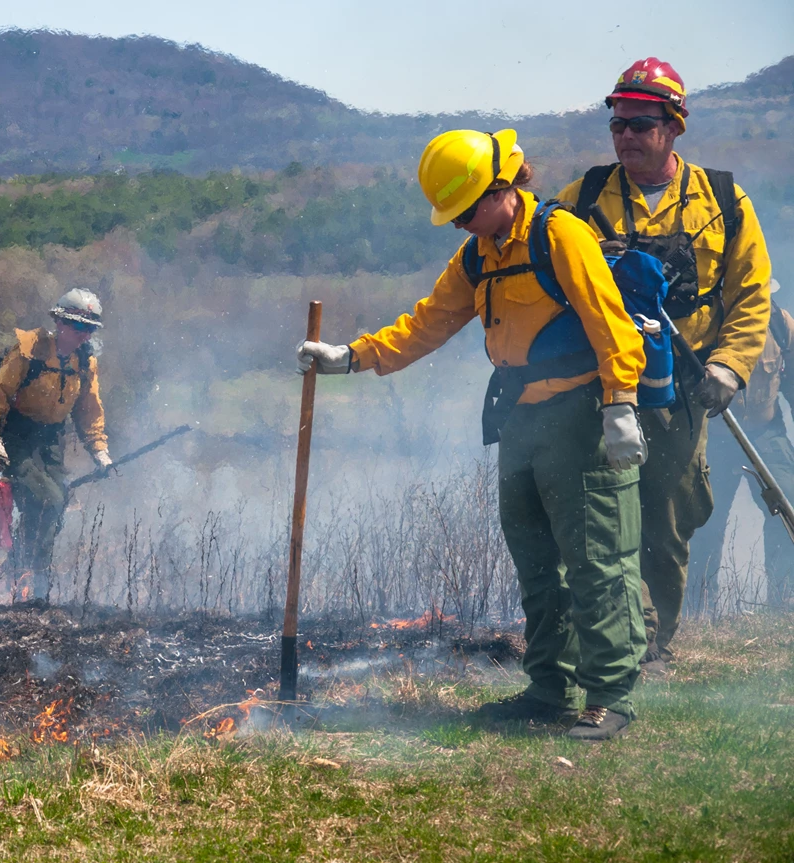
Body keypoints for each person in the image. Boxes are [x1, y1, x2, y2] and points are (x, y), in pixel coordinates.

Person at [298, 129, 648, 740]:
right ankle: (549, 689)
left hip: (581, 415)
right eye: (452, 214)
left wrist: (620, 405)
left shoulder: (559, 234)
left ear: (503, 187)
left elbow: (610, 321)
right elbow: (424, 325)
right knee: (537, 565)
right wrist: (349, 357)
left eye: (465, 210)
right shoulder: (476, 256)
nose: (459, 224)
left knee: (596, 563)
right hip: (520, 418)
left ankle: (609, 698)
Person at [557, 58, 773, 663]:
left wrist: (729, 367)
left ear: (674, 126)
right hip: (603, 384)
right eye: (618, 124)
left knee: (669, 514)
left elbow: (752, 294)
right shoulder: (584, 198)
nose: (625, 136)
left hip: (684, 385)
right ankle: (604, 639)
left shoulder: (724, 201)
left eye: (641, 125)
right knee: (594, 509)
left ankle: (653, 641)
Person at [0, 289, 112, 602]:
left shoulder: (85, 361)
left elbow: (90, 409)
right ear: (60, 322)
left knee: (55, 506)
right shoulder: (29, 350)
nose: (83, 335)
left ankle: (24, 576)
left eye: (89, 329)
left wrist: (99, 450)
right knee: (47, 499)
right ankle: (32, 580)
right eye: (78, 327)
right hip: (17, 437)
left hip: (51, 439)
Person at [688, 279, 794, 612]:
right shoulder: (705, 327)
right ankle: (699, 604)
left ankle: (784, 598)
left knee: (787, 507)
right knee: (705, 517)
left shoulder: (780, 324)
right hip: (715, 437)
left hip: (766, 431)